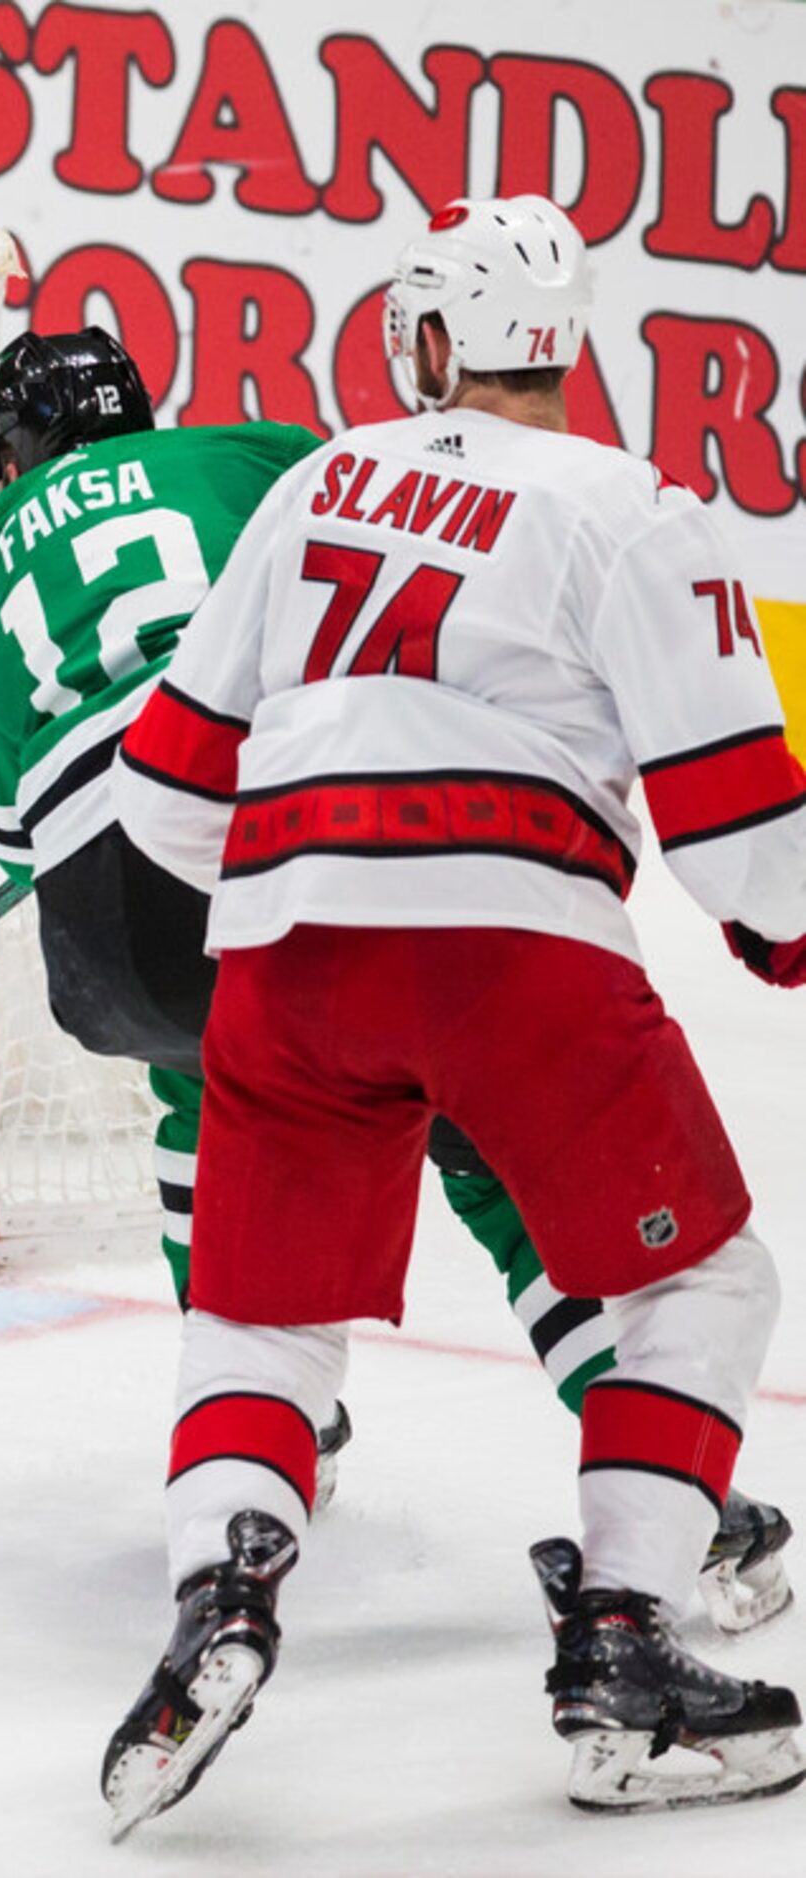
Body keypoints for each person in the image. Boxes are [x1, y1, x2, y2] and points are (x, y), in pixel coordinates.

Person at [103, 195, 806, 1831]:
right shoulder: (628, 507)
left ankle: (219, 1597)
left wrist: (304, 905)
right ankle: (628, 1648)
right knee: (699, 1277)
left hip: (280, 933)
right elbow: (746, 835)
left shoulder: (318, 478)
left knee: (258, 1320)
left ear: (427, 343)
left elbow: (167, 789)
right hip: (510, 932)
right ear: (567, 351)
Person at [0, 327, 790, 1627]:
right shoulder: (256, 458)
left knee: (202, 1101)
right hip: (286, 844)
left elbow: (9, 839)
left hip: (106, 933)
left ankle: (274, 1437)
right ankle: (679, 1500)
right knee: (469, 1124)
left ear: (0, 461)